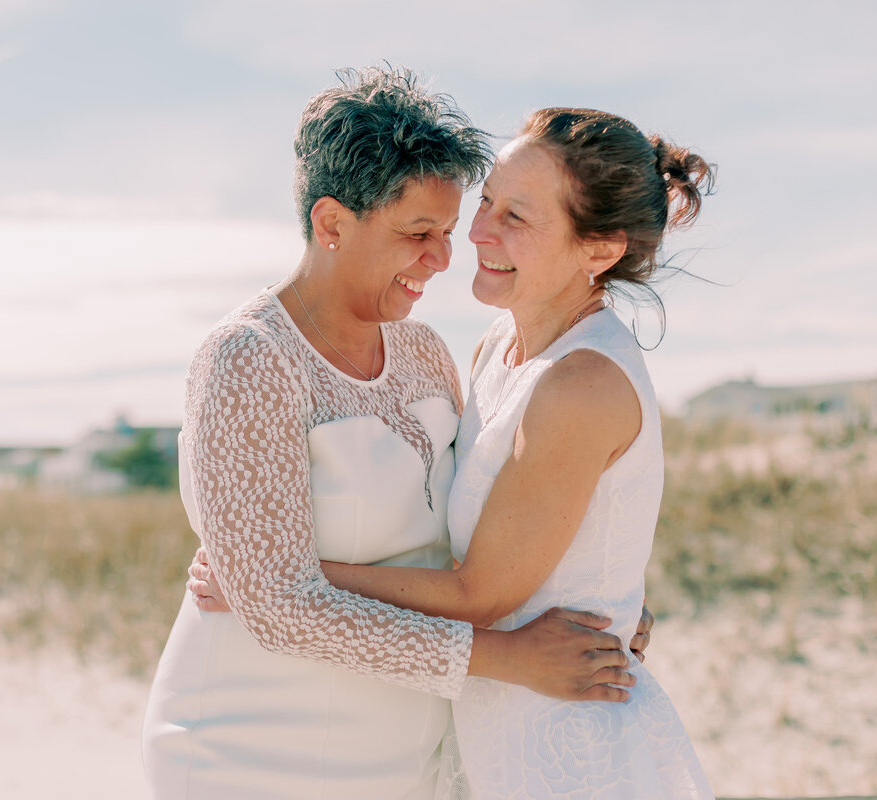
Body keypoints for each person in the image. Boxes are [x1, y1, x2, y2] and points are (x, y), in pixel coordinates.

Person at [141, 67, 652, 800]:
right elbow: (281, 611)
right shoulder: (248, 360)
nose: (444, 258)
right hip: (250, 748)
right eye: (417, 234)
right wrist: (507, 656)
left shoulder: (425, 354)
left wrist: (605, 598)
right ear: (331, 223)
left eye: (447, 231)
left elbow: (490, 513)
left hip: (407, 757)